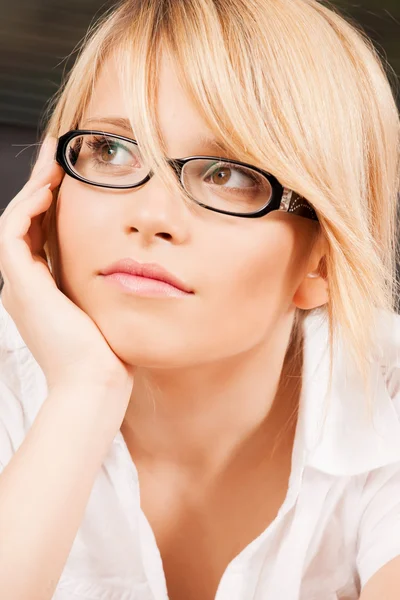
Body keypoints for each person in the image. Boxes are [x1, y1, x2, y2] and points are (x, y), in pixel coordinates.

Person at [0, 0, 399, 598]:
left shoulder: (384, 395)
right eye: (112, 150)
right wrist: (84, 392)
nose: (151, 216)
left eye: (228, 174)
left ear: (322, 259)